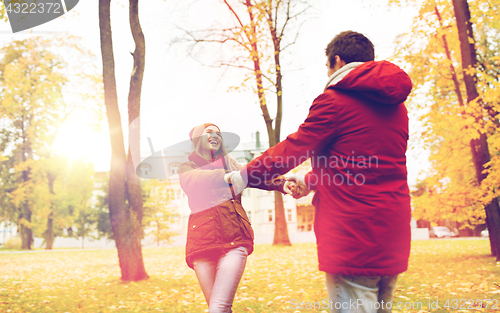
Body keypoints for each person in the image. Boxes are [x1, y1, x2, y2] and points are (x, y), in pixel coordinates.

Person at [229, 31, 413, 312]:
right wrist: (309, 179)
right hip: (392, 231)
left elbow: (295, 148)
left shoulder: (335, 101)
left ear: (336, 61)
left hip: (353, 235)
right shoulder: (397, 106)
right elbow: (363, 164)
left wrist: (243, 175)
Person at [178, 123, 294, 313]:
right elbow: (195, 181)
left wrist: (282, 185)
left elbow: (256, 177)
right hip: (203, 244)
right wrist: (226, 177)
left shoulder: (231, 164)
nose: (215, 135)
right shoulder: (187, 167)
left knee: (218, 308)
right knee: (218, 308)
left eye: (218, 133)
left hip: (234, 239)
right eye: (209, 132)